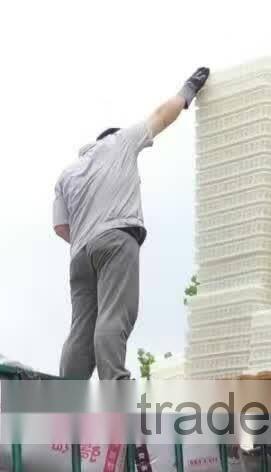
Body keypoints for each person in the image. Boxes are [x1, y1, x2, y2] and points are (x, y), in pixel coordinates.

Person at [53, 67, 210, 380]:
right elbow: (160, 116)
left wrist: (88, 239)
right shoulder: (120, 142)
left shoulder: (67, 174)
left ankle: (64, 398)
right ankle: (115, 386)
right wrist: (187, 91)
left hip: (80, 254)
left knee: (81, 327)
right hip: (115, 240)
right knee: (114, 315)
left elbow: (60, 228)